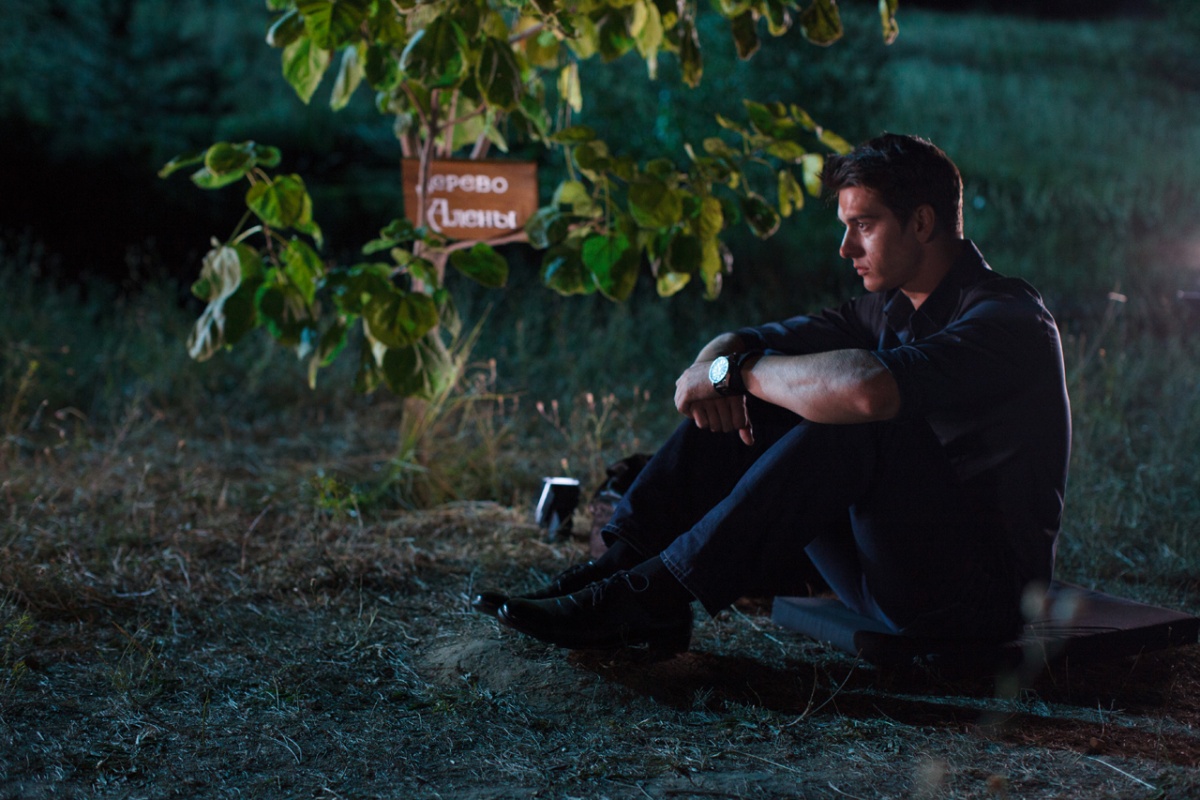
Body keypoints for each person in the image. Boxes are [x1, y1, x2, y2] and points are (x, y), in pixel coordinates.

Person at [477, 133, 1071, 656]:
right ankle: (620, 570)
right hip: (877, 576)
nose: (845, 248)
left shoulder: (1009, 320)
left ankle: (654, 595)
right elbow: (743, 342)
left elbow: (867, 392)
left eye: (864, 226)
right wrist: (721, 371)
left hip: (978, 598)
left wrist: (740, 372)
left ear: (921, 223)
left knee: (857, 414)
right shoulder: (888, 309)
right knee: (775, 394)